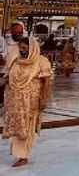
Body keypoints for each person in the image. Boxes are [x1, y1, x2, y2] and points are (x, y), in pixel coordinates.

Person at [1, 37, 52, 168]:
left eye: (25, 48)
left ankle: (23, 156)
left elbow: (46, 82)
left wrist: (44, 98)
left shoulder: (41, 61)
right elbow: (7, 78)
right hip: (15, 101)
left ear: (32, 48)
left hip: (31, 102)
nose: (22, 51)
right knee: (17, 126)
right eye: (21, 48)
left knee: (27, 127)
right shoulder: (15, 61)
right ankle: (19, 154)